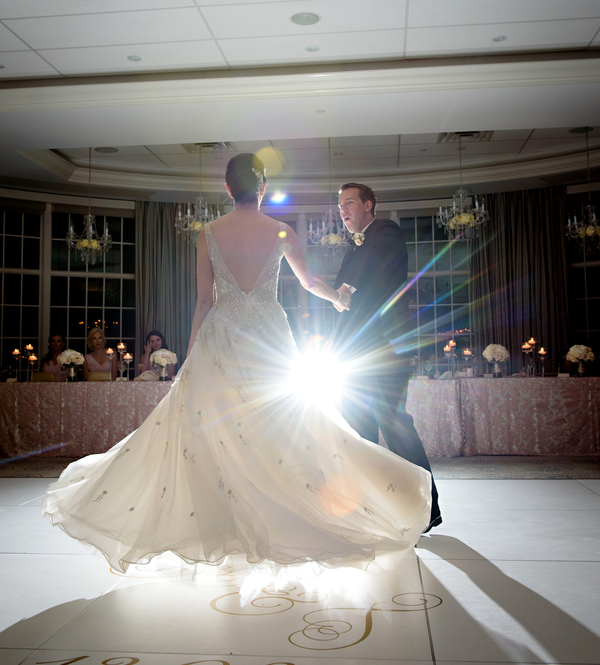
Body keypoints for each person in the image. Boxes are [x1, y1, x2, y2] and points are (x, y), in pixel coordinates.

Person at [42, 155, 431, 575]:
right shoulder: (281, 230)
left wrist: (191, 355)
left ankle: (224, 520)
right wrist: (338, 298)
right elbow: (309, 282)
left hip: (221, 337)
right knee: (282, 424)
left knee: (214, 427)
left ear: (228, 189)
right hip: (268, 338)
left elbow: (204, 302)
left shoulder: (208, 233)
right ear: (261, 188)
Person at [332, 182, 442, 532]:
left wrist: (345, 289)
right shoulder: (354, 248)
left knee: (395, 425)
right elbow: (343, 304)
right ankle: (370, 508)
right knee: (358, 429)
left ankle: (427, 508)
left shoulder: (386, 232)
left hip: (385, 349)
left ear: (368, 205)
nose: (343, 210)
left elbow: (379, 267)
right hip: (355, 353)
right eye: (339, 205)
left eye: (349, 202)